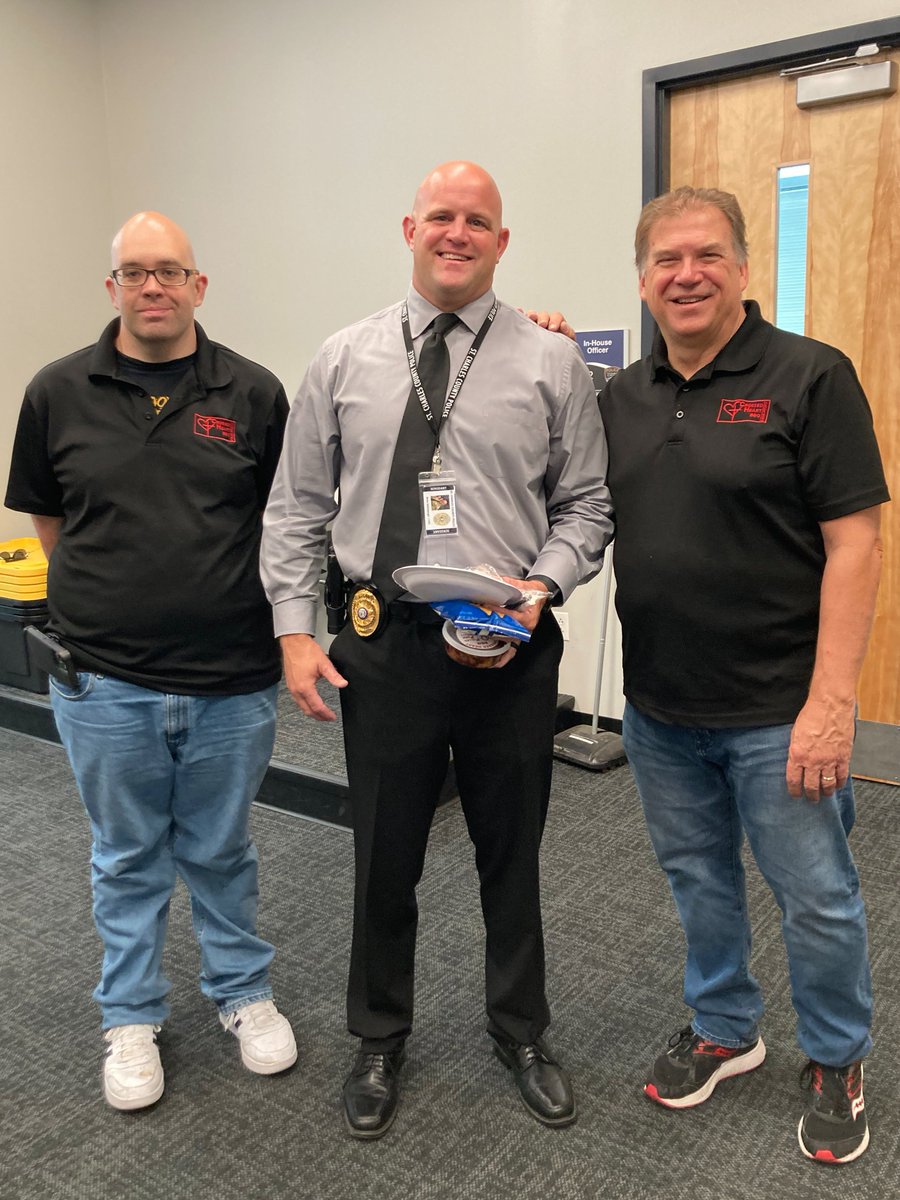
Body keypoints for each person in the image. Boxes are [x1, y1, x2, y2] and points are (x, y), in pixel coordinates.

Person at [261, 160, 613, 1138]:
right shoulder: (341, 358)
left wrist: (540, 591)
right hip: (385, 642)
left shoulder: (553, 363)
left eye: (480, 222)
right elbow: (297, 507)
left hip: (512, 641)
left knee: (513, 850)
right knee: (385, 853)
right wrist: (296, 631)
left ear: (503, 244)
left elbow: (587, 502)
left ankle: (521, 1029)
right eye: (442, 217)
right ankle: (380, 1036)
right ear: (410, 229)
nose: (458, 233)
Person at [598, 186, 888, 1165]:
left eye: (707, 255)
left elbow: (857, 543)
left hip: (780, 711)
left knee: (817, 894)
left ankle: (839, 1056)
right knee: (698, 880)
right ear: (643, 279)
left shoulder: (811, 377)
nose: (686, 274)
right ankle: (726, 1027)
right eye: (666, 260)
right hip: (660, 707)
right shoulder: (622, 396)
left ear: (742, 266)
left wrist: (831, 702)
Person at [5, 212, 297, 1111]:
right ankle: (130, 1015)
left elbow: (286, 525)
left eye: (169, 271)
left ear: (199, 285)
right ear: (114, 289)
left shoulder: (253, 393)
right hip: (105, 680)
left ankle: (241, 994)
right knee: (126, 855)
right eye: (135, 273)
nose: (153, 287)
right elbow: (51, 524)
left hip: (231, 680)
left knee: (219, 847)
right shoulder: (57, 390)